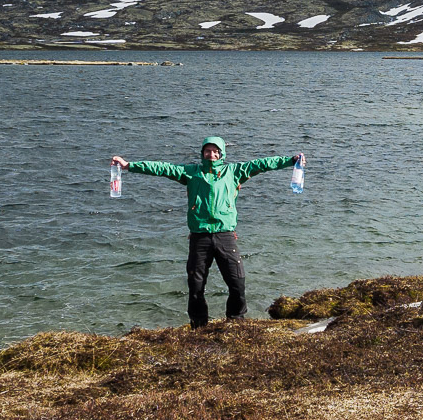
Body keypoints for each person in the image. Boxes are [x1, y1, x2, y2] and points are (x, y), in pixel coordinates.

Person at [111, 137, 302, 328]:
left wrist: (290, 161)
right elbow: (162, 168)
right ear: (202, 153)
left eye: (215, 151)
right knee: (196, 286)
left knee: (237, 282)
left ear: (222, 153)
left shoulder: (233, 172)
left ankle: (235, 321)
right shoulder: (191, 173)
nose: (211, 155)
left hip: (225, 235)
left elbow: (262, 164)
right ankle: (198, 325)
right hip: (199, 237)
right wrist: (129, 166)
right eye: (207, 151)